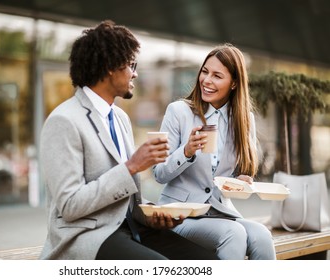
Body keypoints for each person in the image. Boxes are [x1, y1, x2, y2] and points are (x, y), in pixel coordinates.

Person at [38, 20, 218, 260]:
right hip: (86, 237)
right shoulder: (63, 121)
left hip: (128, 229)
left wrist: (151, 215)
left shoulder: (120, 117)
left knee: (208, 261)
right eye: (131, 65)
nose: (135, 73)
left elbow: (127, 202)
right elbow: (70, 206)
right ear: (110, 66)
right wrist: (133, 165)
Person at [152, 43, 276, 260]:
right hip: (181, 215)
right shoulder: (179, 112)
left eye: (217, 76)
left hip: (221, 212)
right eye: (205, 72)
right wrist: (187, 151)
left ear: (234, 83)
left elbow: (229, 177)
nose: (207, 80)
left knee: (262, 236)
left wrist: (240, 182)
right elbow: (159, 173)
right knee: (234, 233)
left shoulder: (245, 120)